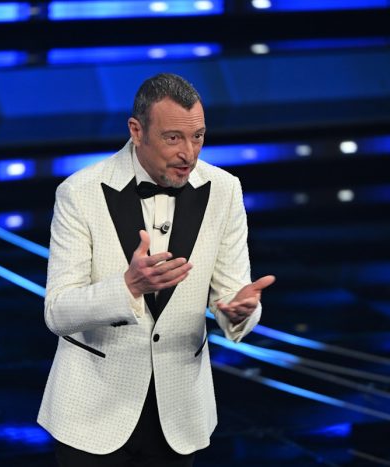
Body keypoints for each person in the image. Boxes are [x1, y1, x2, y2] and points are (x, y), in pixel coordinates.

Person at [38, 73, 275, 466]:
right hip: (92, 415)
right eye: (173, 138)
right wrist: (128, 287)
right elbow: (57, 311)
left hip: (179, 414)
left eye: (198, 137)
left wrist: (238, 312)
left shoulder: (224, 190)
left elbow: (232, 294)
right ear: (137, 131)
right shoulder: (79, 193)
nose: (189, 153)